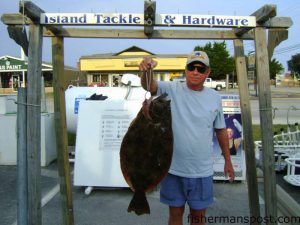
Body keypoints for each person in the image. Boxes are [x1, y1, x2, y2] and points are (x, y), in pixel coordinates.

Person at [139, 51, 235, 225]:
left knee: (198, 217)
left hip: (202, 171)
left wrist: (228, 160)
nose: (195, 72)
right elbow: (149, 86)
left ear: (208, 72)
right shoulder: (171, 88)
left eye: (201, 68)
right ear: (185, 70)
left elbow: (220, 129)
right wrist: (146, 70)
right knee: (175, 215)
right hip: (173, 169)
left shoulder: (214, 97)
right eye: (191, 67)